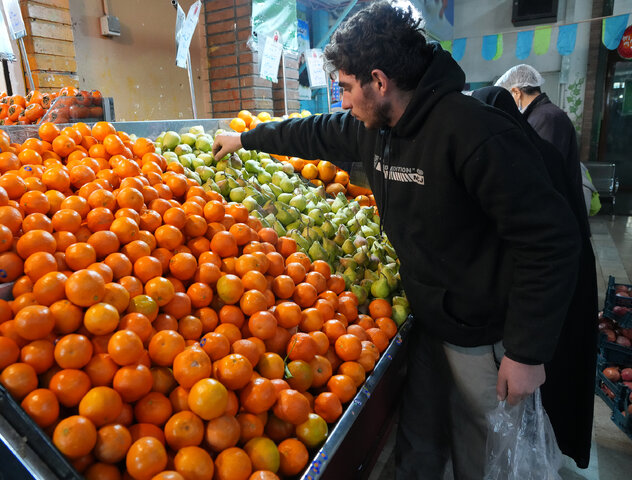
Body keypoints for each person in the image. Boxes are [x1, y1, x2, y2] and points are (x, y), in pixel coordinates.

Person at [213, 2, 581, 478]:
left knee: (482, 451)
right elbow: (315, 134)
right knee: (420, 438)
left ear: (379, 81)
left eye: (345, 88)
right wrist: (246, 139)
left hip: (480, 329)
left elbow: (550, 239)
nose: (342, 101)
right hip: (429, 315)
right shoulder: (378, 127)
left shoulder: (473, 132)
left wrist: (527, 351)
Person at [471, 86, 597, 468]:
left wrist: (526, 349)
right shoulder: (533, 151)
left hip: (558, 293)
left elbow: (541, 246)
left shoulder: (520, 162)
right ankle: (548, 455)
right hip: (569, 286)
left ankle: (545, 458)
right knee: (555, 392)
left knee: (550, 386)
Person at [495, 64, 582, 205]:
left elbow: (544, 169)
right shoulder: (540, 115)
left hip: (558, 204)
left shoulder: (547, 118)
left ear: (516, 92)